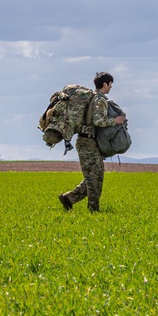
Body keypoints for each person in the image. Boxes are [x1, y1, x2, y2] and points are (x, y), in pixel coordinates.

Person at [59, 72, 126, 213]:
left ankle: (69, 199)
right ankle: (93, 210)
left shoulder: (92, 98)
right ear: (105, 84)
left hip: (86, 141)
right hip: (87, 142)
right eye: (110, 84)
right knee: (95, 179)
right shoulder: (99, 100)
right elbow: (98, 121)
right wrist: (115, 121)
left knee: (94, 176)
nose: (111, 87)